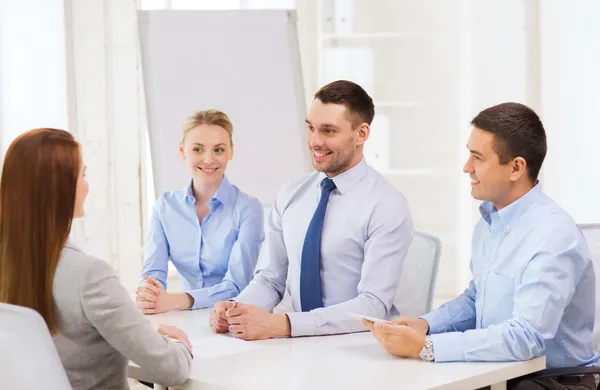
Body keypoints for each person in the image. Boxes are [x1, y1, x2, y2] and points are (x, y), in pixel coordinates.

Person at [363, 102, 600, 390]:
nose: (466, 167)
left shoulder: (553, 236)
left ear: (516, 167)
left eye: (477, 157)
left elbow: (526, 338)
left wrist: (427, 346)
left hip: (554, 382)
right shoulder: (491, 221)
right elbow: (478, 298)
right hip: (503, 372)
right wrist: (426, 326)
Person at [209, 80, 414, 340]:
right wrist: (237, 308)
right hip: (296, 345)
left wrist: (284, 325)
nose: (315, 141)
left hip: (358, 345)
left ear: (361, 134)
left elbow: (373, 305)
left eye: (328, 131)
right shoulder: (291, 194)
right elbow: (270, 280)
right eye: (311, 128)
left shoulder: (386, 205)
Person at [0, 128, 192, 390]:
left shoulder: (8, 263)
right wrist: (179, 345)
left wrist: (142, 339)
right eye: (83, 174)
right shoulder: (88, 276)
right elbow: (173, 369)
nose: (87, 184)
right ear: (60, 188)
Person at [136, 109, 264, 313]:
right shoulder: (165, 207)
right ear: (182, 150)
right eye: (197, 149)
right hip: (185, 317)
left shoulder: (248, 209)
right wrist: (147, 295)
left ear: (231, 152)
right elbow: (152, 274)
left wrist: (175, 301)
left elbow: (236, 286)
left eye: (219, 150)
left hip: (235, 317)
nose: (208, 159)